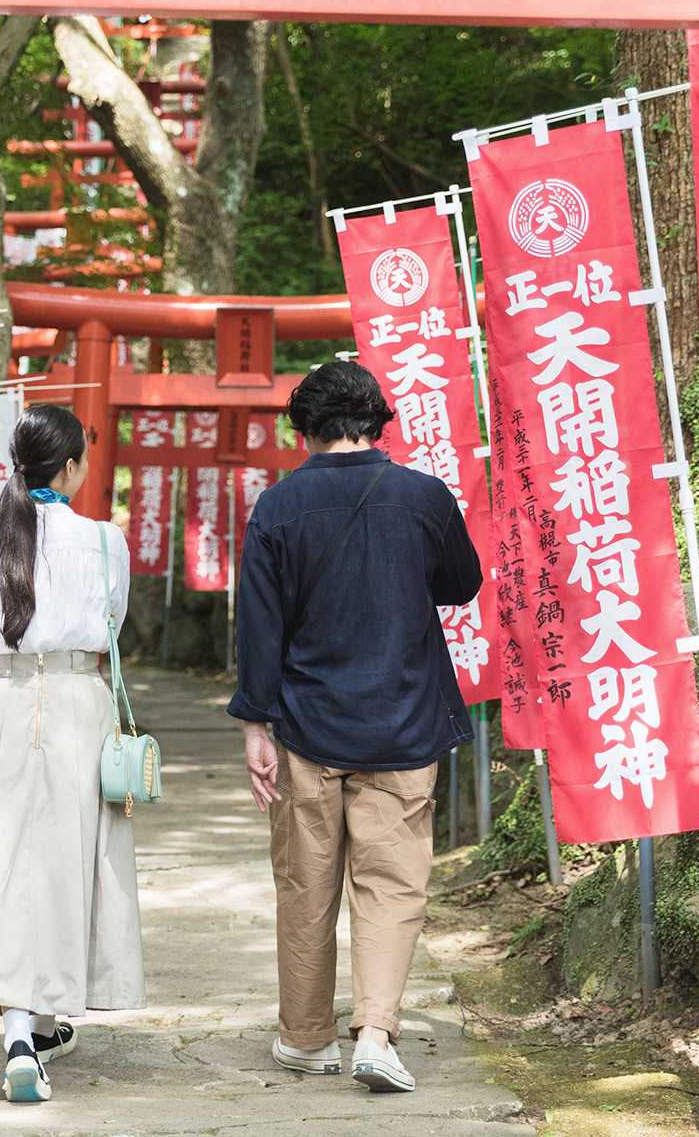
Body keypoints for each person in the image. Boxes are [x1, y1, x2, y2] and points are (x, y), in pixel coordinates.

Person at [227, 361, 482, 1094]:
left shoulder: (278, 507)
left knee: (306, 884)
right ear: (377, 421)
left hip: (307, 728)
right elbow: (461, 584)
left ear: (303, 429)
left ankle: (306, 1038)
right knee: (392, 885)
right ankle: (375, 1032)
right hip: (403, 724)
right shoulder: (423, 496)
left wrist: (255, 725)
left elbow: (260, 630)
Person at [0, 404, 145, 1104]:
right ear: (72, 466)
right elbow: (112, 626)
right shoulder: (107, 543)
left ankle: (32, 1025)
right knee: (67, 864)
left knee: (9, 864)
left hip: (5, 707)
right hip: (81, 703)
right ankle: (29, 1025)